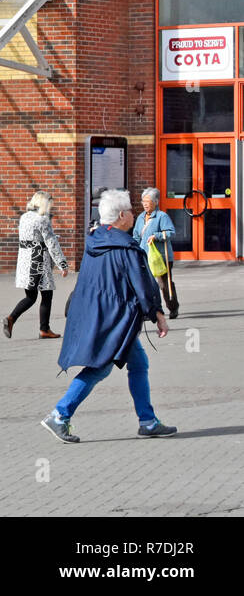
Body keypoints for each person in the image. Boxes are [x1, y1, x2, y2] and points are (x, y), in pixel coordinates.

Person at [41, 189, 175, 443]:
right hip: (114, 320)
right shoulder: (126, 248)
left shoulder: (95, 240)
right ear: (122, 215)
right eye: (131, 211)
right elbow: (143, 285)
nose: (134, 214)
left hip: (97, 313)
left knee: (139, 364)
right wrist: (157, 313)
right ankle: (59, 415)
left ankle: (147, 421)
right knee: (99, 368)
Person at [4, 191, 69, 339]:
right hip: (38, 261)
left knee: (31, 296)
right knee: (47, 295)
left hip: (25, 261)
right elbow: (51, 243)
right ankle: (43, 329)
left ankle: (11, 318)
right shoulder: (42, 219)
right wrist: (62, 264)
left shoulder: (24, 217)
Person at [132, 187, 178, 318]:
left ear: (156, 202)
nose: (145, 204)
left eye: (148, 201)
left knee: (164, 284)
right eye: (143, 201)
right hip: (145, 255)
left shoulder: (162, 216)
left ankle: (173, 306)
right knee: (147, 285)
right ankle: (151, 311)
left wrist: (156, 236)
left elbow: (170, 232)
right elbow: (136, 236)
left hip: (161, 257)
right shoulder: (141, 217)